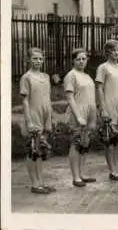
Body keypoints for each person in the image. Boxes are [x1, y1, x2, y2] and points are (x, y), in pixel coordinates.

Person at [19, 48, 57, 194]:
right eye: (35, 59)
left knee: (40, 149)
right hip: (34, 115)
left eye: (40, 59)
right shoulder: (26, 77)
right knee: (32, 150)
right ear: (29, 60)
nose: (38, 61)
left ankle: (41, 182)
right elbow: (25, 101)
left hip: (45, 114)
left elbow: (47, 98)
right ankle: (34, 184)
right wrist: (29, 121)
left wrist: (50, 117)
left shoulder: (46, 77)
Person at [95, 40, 118, 181]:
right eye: (113, 50)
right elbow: (99, 88)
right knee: (110, 138)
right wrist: (103, 108)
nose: (116, 53)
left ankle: (117, 168)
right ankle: (112, 170)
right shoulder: (103, 68)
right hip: (110, 104)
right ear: (107, 52)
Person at [64, 48, 98, 187]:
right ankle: (76, 177)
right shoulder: (71, 75)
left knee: (85, 144)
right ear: (73, 60)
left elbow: (91, 98)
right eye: (78, 59)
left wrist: (94, 116)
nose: (81, 61)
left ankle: (82, 173)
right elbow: (70, 98)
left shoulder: (87, 76)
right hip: (78, 112)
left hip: (89, 111)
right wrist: (78, 116)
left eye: (83, 59)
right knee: (76, 143)